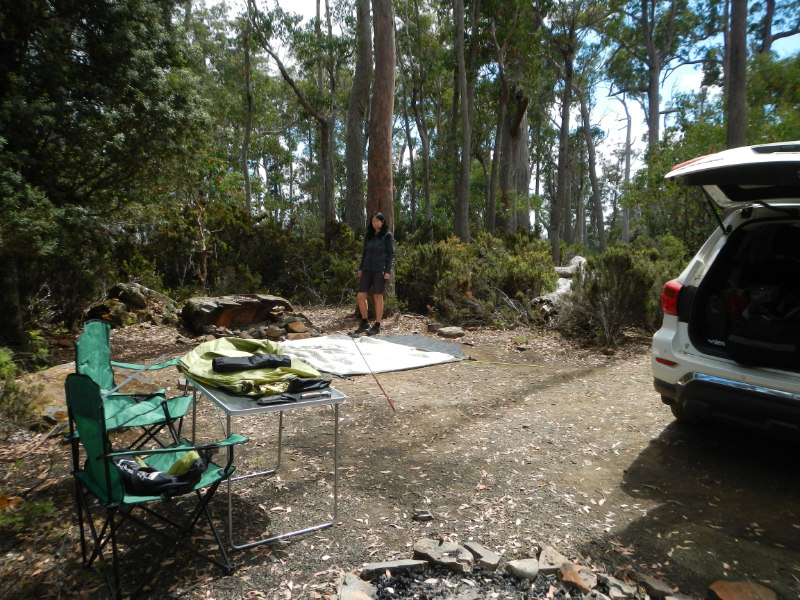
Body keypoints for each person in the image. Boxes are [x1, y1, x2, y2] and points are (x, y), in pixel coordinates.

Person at [352, 212, 395, 336]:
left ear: (382, 222)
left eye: (377, 221)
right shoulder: (369, 236)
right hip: (366, 269)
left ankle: (377, 324)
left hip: (379, 270)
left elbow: (391, 254)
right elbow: (365, 253)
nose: (375, 223)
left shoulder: (387, 235)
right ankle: (365, 321)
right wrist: (361, 268)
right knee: (361, 296)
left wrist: (387, 270)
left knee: (377, 296)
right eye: (373, 221)